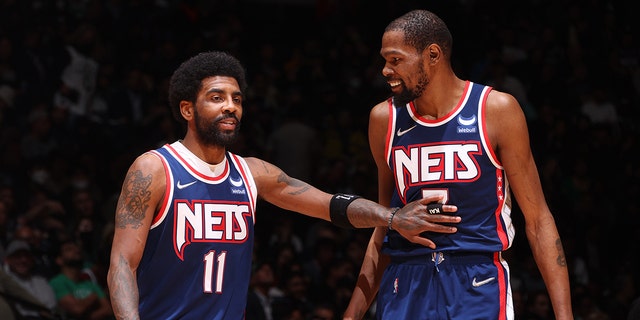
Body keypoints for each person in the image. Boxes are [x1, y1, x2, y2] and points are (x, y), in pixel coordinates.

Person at [106, 51, 460, 320]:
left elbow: (330, 205)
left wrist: (393, 217)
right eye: (217, 98)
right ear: (187, 109)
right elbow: (123, 262)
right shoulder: (154, 168)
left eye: (237, 99)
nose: (231, 107)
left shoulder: (252, 173)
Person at [343, 9, 573, 320]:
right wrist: (352, 314)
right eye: (384, 60)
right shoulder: (383, 119)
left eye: (395, 59)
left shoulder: (496, 110)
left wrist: (564, 315)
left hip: (476, 279)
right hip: (405, 280)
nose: (385, 70)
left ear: (433, 55)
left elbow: (538, 221)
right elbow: (385, 224)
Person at [49, 239, 113, 320]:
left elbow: (108, 310)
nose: (76, 250)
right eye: (69, 249)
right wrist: (93, 297)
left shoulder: (89, 283)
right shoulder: (57, 282)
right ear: (59, 260)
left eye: (76, 248)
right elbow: (77, 309)